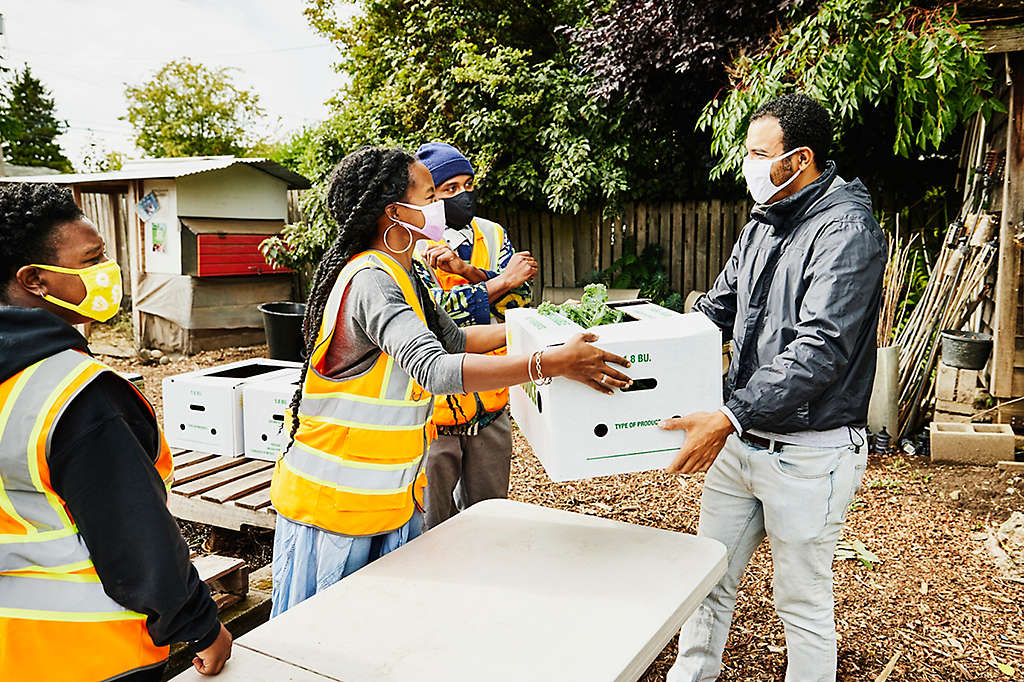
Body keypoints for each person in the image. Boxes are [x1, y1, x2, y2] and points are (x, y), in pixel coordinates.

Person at [269, 146, 632, 616]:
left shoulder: (403, 274)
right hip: (333, 509)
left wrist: (540, 328)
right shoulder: (370, 280)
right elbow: (435, 369)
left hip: (383, 501)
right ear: (394, 213)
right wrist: (549, 363)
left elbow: (456, 340)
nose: (441, 207)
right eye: (429, 194)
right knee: (324, 633)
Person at [660, 94, 885, 682]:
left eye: (760, 153)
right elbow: (716, 310)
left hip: (810, 455)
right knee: (704, 584)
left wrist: (729, 414)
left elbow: (822, 347)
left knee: (802, 605)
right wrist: (640, 342)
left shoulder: (847, 230)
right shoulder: (765, 218)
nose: (747, 164)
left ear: (800, 157)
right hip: (739, 444)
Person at [0, 183, 232, 681]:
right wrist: (202, 625)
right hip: (88, 650)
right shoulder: (74, 393)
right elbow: (135, 537)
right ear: (35, 279)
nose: (109, 269)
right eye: (93, 257)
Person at [412, 141, 536, 529]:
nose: (463, 194)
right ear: (429, 199)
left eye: (468, 183)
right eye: (449, 189)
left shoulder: (493, 233)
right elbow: (437, 316)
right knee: (432, 526)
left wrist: (470, 274)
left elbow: (520, 298)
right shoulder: (411, 244)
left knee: (491, 518)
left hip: (491, 403)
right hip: (435, 413)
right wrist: (500, 281)